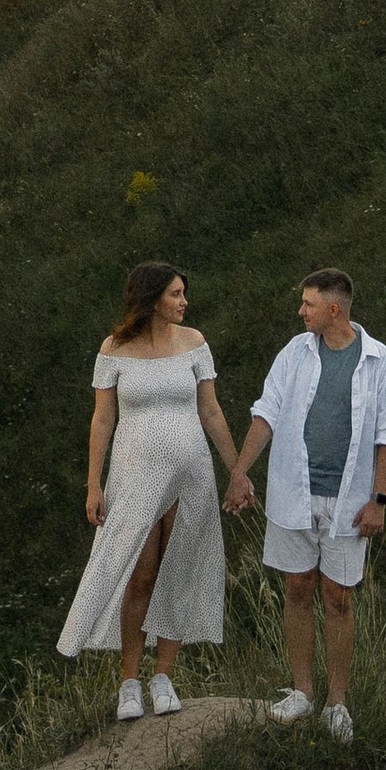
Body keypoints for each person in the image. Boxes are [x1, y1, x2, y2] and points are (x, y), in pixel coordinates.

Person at [220, 266, 386, 742]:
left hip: (349, 499)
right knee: (299, 589)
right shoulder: (295, 353)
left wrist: (378, 501)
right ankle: (302, 691)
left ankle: (337, 702)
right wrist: (241, 472)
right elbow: (266, 412)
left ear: (332, 308)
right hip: (293, 491)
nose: (299, 311)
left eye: (307, 304)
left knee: (339, 598)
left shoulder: (380, 362)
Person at [57, 257, 239, 719]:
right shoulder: (115, 347)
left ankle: (164, 676)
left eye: (183, 294)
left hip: (191, 470)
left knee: (178, 569)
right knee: (139, 573)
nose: (184, 302)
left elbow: (211, 410)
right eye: (176, 294)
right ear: (153, 298)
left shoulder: (195, 343)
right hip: (134, 472)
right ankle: (130, 682)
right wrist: (92, 484)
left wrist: (237, 470)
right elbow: (103, 417)